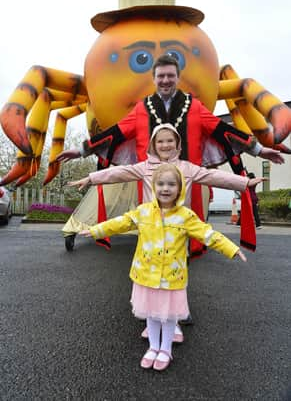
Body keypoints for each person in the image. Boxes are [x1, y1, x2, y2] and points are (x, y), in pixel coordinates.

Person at [57, 54, 284, 255]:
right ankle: (149, 262)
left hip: (186, 176)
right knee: (149, 223)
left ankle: (181, 258)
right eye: (161, 76)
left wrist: (259, 150)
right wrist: (81, 151)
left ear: (177, 78)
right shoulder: (141, 108)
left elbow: (223, 130)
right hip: (150, 176)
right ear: (154, 79)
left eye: (170, 76)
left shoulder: (194, 106)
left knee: (183, 225)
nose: (165, 80)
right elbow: (114, 134)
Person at [67, 123, 266, 341]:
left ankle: (174, 322)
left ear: (178, 144)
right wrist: (91, 178)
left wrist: (245, 182)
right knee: (150, 279)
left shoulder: (187, 168)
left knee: (174, 279)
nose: (165, 145)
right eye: (160, 141)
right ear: (153, 144)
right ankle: (152, 319)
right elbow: (118, 173)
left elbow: (213, 176)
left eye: (170, 140)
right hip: (150, 233)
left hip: (178, 230)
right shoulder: (144, 167)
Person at [79, 163, 248, 371]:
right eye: (160, 184)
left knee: (168, 317)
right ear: (153, 186)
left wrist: (231, 248)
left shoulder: (186, 216)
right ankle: (153, 347)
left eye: (171, 184)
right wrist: (96, 230)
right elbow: (120, 222)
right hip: (146, 275)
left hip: (171, 277)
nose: (165, 188)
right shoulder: (143, 212)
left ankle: (165, 349)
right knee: (150, 313)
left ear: (180, 188)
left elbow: (208, 234)